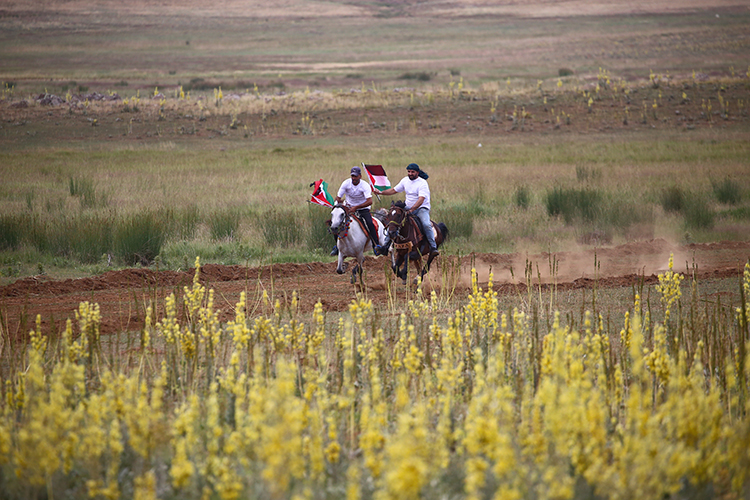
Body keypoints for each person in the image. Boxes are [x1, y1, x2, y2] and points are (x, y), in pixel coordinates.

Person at [373, 163, 438, 257]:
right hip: (407, 207)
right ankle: (385, 247)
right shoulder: (405, 180)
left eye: (412, 172)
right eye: (409, 171)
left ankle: (433, 247)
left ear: (417, 172)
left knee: (426, 224)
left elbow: (421, 199)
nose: (410, 173)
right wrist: (381, 192)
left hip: (421, 208)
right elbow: (394, 190)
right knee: (393, 221)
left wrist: (412, 210)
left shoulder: (422, 183)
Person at [330, 166, 384, 256]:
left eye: (356, 176)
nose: (354, 178)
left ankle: (376, 245)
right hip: (348, 208)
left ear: (360, 176)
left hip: (363, 209)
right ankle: (337, 246)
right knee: (336, 223)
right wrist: (336, 205)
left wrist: (356, 207)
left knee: (370, 223)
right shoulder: (346, 183)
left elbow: (369, 201)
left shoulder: (365, 185)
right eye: (352, 176)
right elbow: (338, 197)